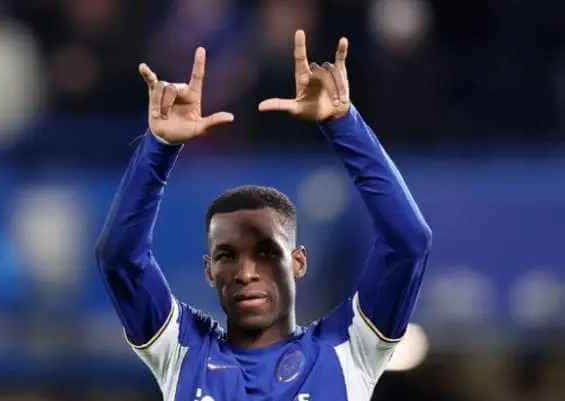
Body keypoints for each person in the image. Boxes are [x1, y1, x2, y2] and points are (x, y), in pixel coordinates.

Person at [96, 30, 431, 401]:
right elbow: (120, 259)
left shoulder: (347, 348)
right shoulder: (182, 350)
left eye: (266, 252)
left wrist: (343, 123)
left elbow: (408, 243)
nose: (246, 273)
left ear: (298, 261)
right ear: (209, 270)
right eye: (227, 256)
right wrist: (159, 147)